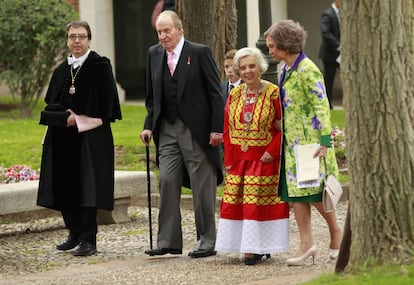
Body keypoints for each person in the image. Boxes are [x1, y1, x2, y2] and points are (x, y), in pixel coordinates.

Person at [140, 10, 224, 259]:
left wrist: (216, 128)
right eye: (159, 32)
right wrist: (148, 124)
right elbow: (152, 97)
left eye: (167, 31)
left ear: (179, 29)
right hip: (166, 129)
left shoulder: (199, 52)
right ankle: (168, 241)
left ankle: (207, 241)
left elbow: (215, 94)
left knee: (202, 187)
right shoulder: (154, 54)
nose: (163, 36)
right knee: (166, 181)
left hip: (196, 130)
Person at [37, 20, 122, 256]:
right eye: (72, 37)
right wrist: (64, 117)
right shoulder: (61, 70)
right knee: (64, 185)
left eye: (81, 36)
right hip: (63, 138)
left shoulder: (100, 66)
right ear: (67, 40)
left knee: (88, 188)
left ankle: (89, 239)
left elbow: (106, 107)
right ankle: (73, 233)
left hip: (90, 139)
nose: (76, 41)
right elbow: (50, 105)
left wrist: (80, 118)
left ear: (89, 39)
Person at [264, 20, 342, 266]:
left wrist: (324, 140)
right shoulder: (285, 70)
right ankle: (306, 243)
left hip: (311, 146)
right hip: (292, 146)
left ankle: (336, 233)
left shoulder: (308, 69)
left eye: (273, 46)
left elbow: (321, 106)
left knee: (317, 194)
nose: (270, 51)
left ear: (286, 44)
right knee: (296, 195)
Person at [215, 47, 290, 266]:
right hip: (239, 160)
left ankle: (258, 248)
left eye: (252, 66)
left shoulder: (274, 92)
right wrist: (228, 159)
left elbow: (282, 126)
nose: (247, 71)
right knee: (237, 204)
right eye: (243, 67)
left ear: (260, 68)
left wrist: (272, 150)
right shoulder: (235, 93)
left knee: (256, 204)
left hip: (263, 159)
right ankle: (245, 246)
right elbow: (227, 128)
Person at [318, 0, 341, 109]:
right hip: (330, 54)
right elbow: (325, 33)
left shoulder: (342, 14)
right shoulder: (328, 14)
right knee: (329, 80)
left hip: (341, 54)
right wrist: (339, 46)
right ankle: (327, 105)